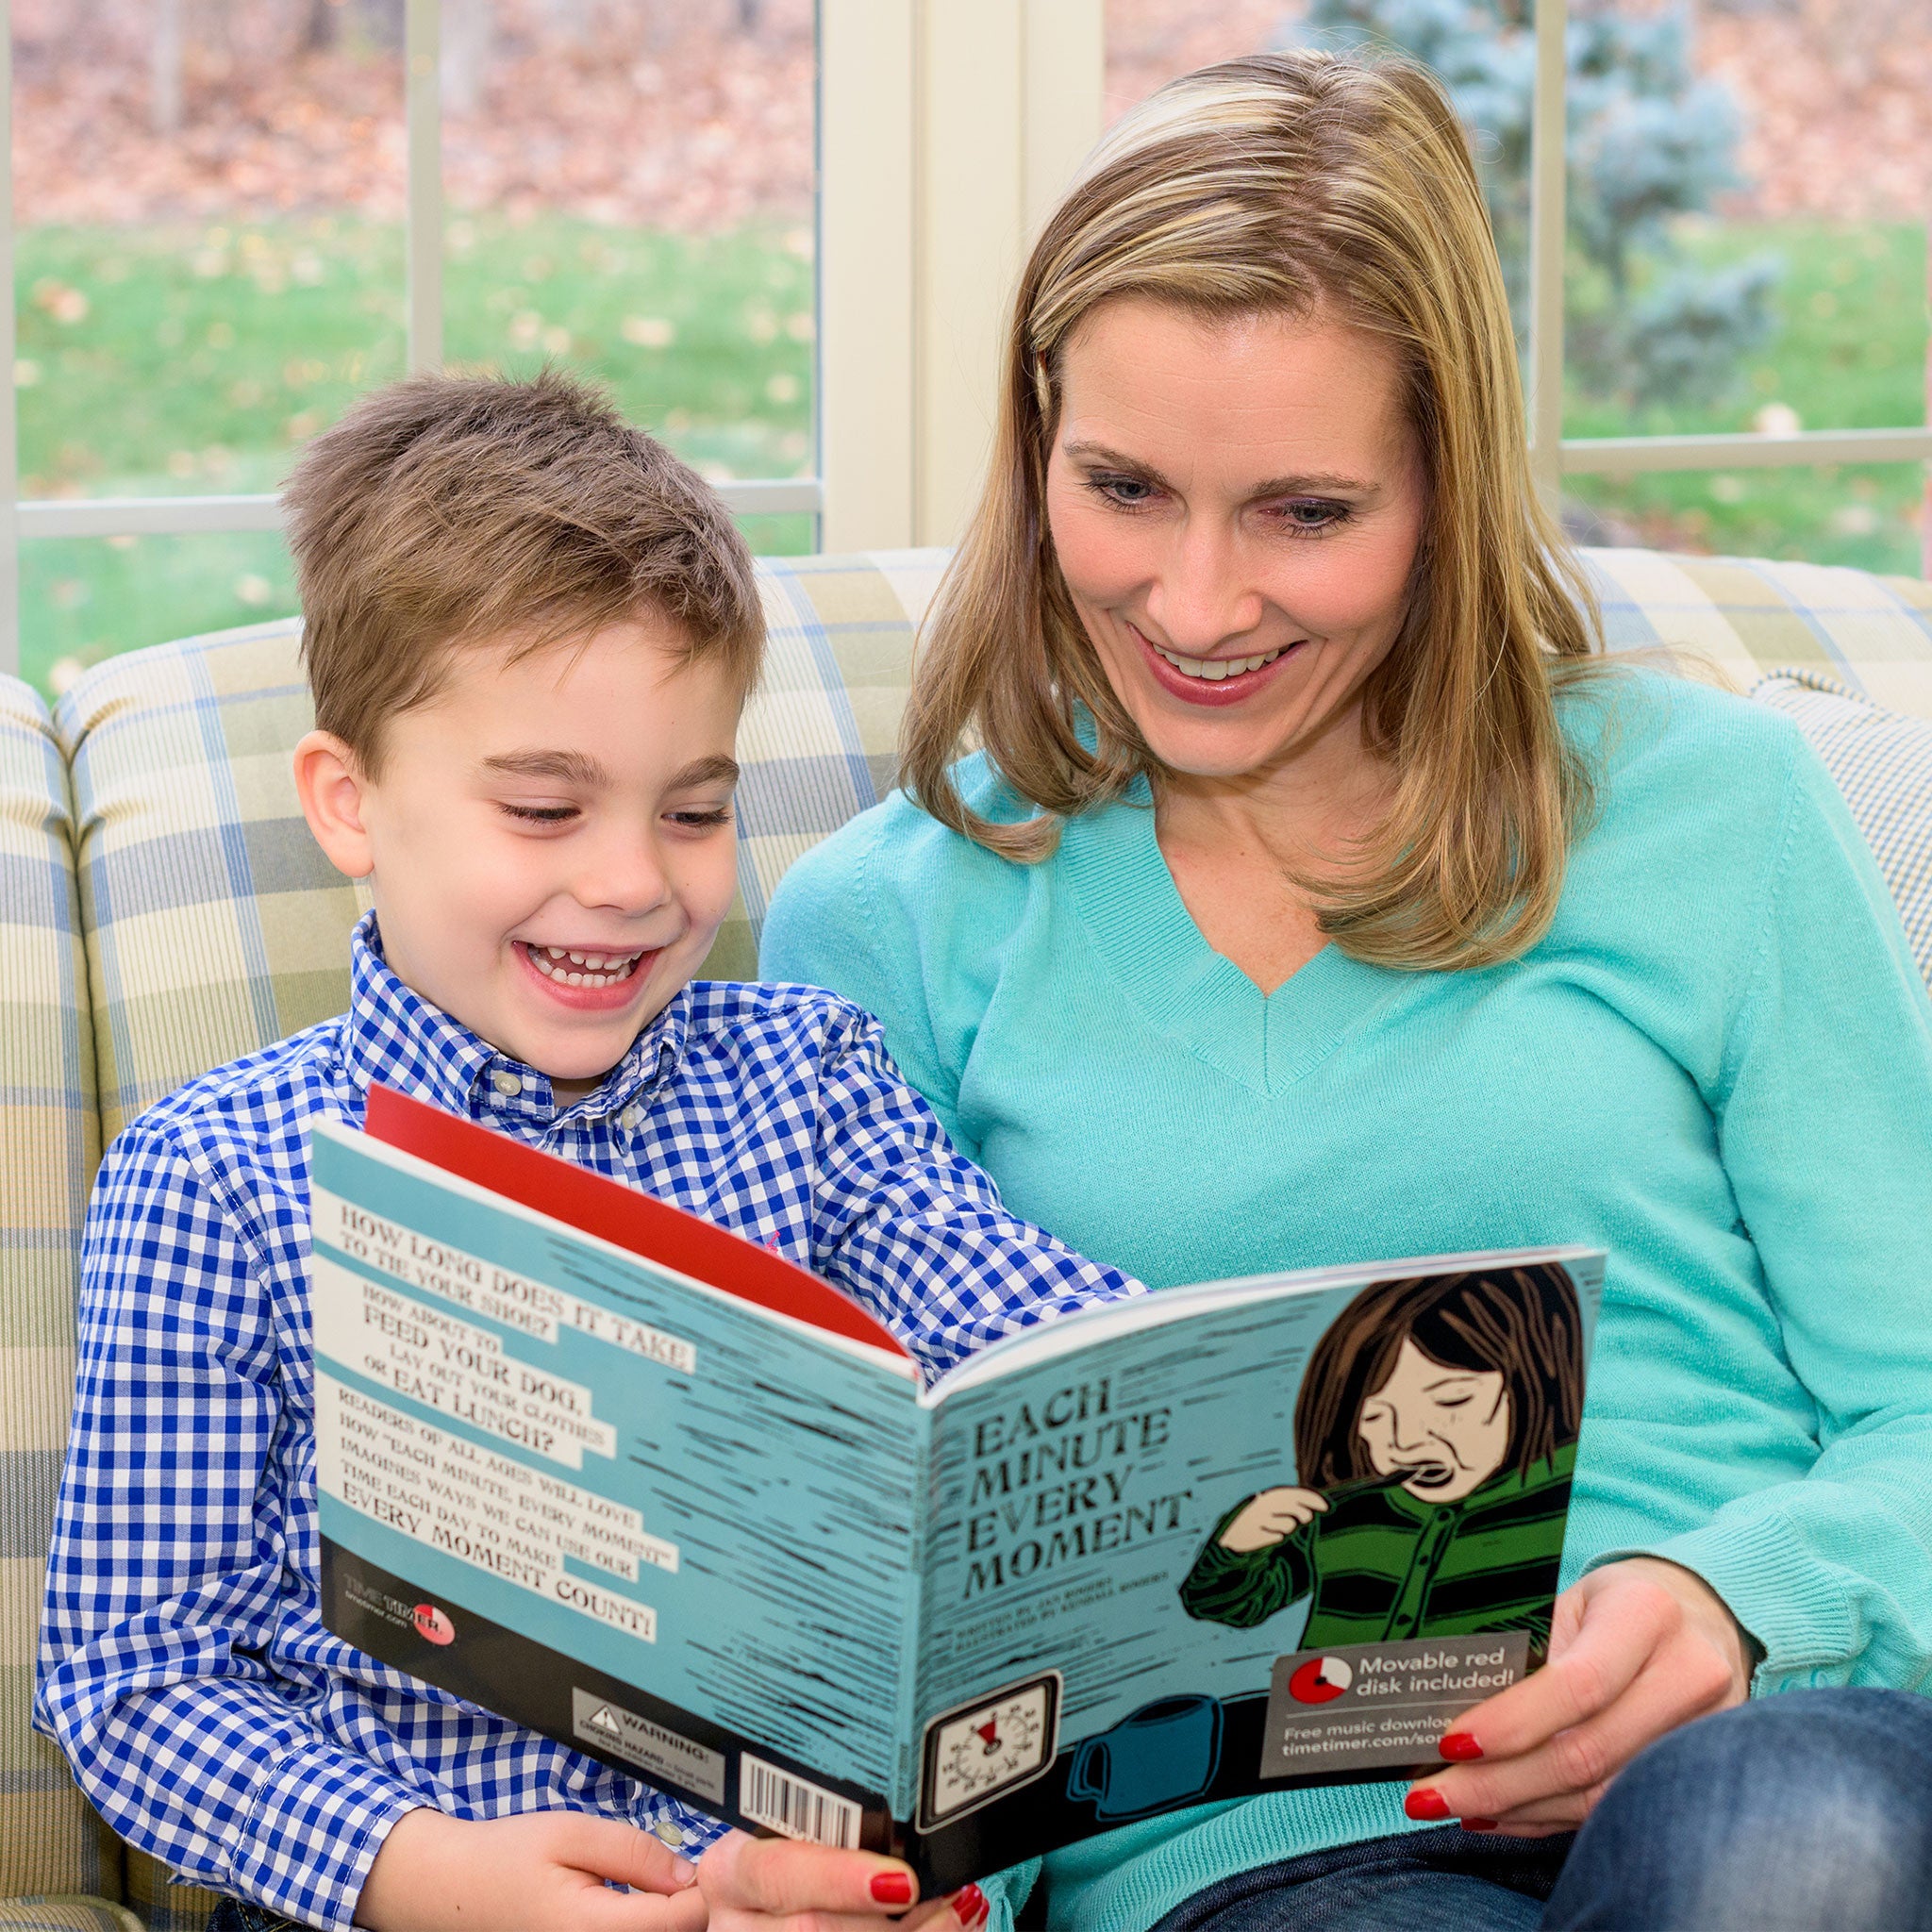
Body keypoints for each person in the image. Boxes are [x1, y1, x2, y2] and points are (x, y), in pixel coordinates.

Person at [760, 46, 1932, 1932]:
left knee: (1782, 1868)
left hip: (1767, 1750)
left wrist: (1742, 1607)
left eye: (1305, 512)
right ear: (1032, 440)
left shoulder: (1713, 814)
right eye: (1123, 488)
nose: (1198, 606)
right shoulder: (893, 920)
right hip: (1262, 1856)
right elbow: (864, 1580)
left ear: (1446, 488)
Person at [33, 371, 1142, 1932]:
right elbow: (133, 1680)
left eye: (692, 811)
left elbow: (1055, 1358)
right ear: (348, 802)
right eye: (545, 808)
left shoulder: (810, 1083)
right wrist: (416, 1872)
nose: (632, 880)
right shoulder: (212, 1175)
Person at [1179, 1264, 1583, 1652]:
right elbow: (1226, 1605)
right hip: (1327, 1713)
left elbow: (1556, 1622)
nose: (1404, 1442)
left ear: (1531, 1385)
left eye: (1451, 1400)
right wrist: (1239, 1544)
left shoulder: (1556, 1496)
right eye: (1374, 1416)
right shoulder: (1347, 1510)